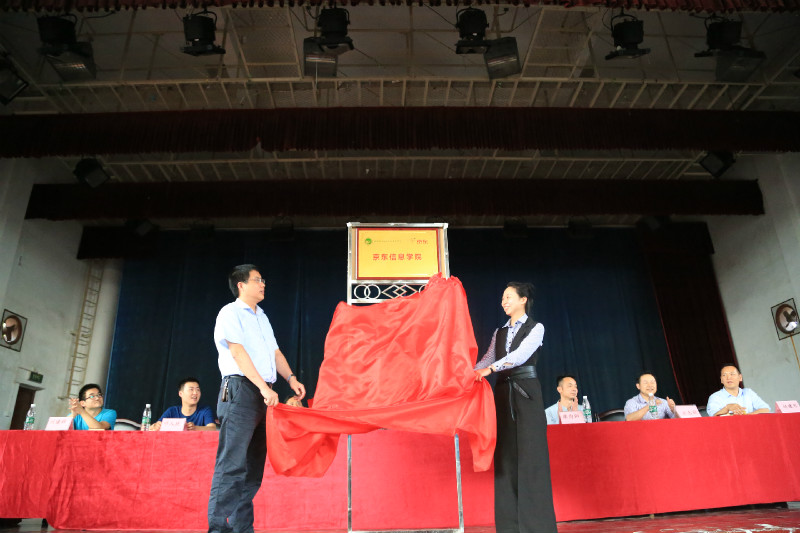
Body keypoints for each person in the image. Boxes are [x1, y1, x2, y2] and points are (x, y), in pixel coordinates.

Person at [208, 264, 305, 533]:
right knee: (232, 464)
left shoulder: (262, 316)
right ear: (241, 285)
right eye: (257, 280)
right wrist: (263, 388)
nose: (263, 284)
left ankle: (242, 528)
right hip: (241, 390)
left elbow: (275, 353)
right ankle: (218, 528)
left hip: (264, 394)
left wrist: (291, 378)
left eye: (263, 280)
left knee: (252, 468)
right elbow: (237, 352)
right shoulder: (229, 312)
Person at [474, 282, 557, 533]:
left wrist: (491, 369)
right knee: (506, 457)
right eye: (502, 298)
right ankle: (509, 526)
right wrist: (468, 373)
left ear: (523, 300)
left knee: (531, 456)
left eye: (509, 297)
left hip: (527, 393)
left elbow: (520, 356)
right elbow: (488, 358)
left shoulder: (536, 328)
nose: (504, 302)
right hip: (503, 393)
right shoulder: (499, 332)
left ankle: (537, 526)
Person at [150, 377, 217, 431]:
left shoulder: (205, 410)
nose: (195, 393)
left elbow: (213, 429)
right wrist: (155, 426)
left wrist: (195, 428)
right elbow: (155, 426)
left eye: (198, 390)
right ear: (180, 394)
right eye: (191, 389)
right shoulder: (172, 411)